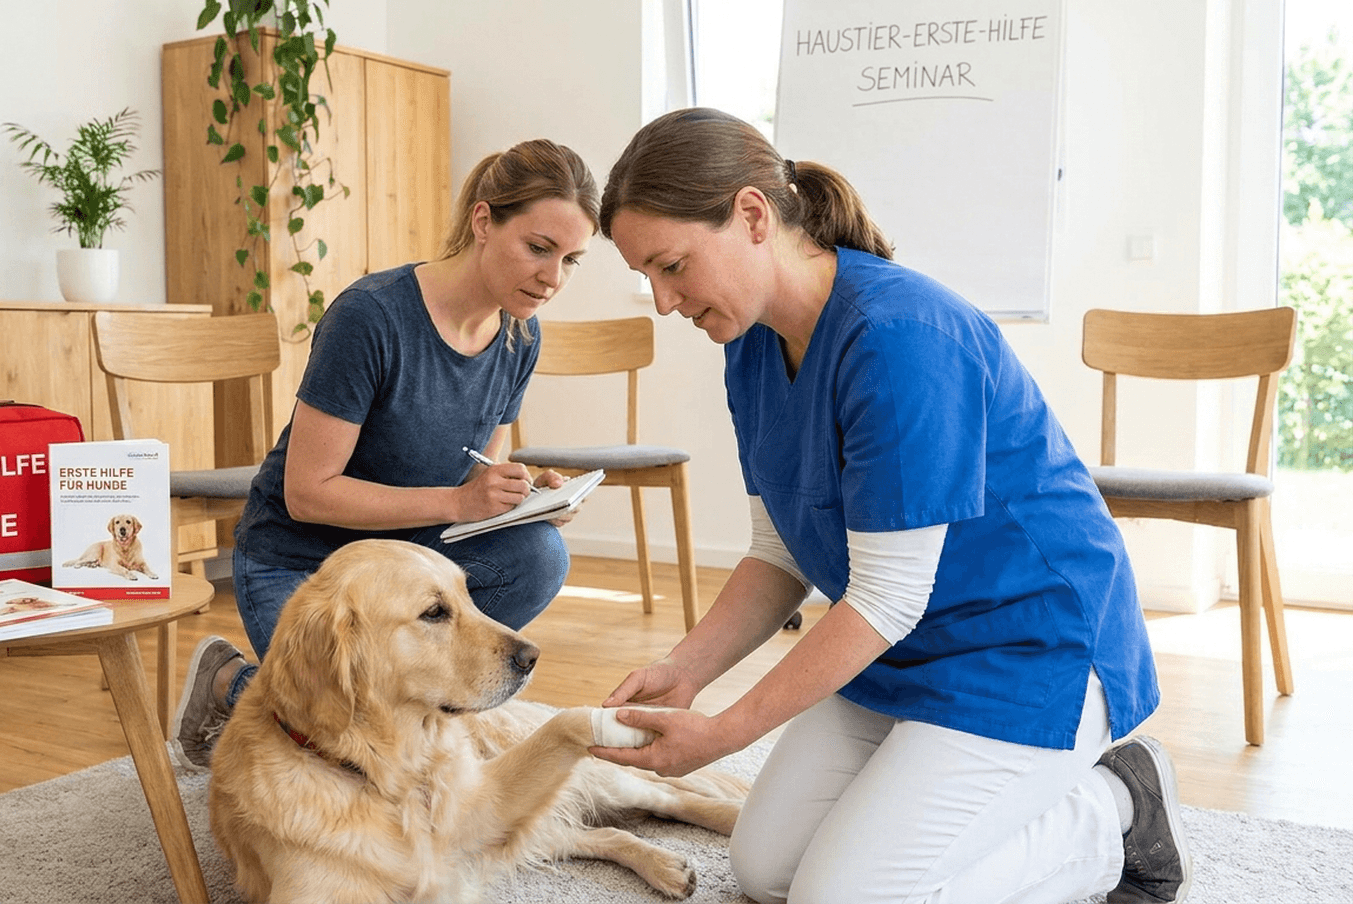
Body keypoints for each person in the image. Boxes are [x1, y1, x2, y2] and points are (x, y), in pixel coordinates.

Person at [587, 107, 1189, 904]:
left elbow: (885, 594)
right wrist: (682, 672)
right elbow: (779, 553)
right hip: (902, 650)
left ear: (753, 216)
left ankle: (1117, 807)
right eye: (649, 279)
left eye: (672, 267)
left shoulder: (902, 338)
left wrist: (727, 733)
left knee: (843, 898)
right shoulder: (749, 346)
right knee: (767, 872)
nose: (664, 302)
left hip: (1030, 650)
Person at [172, 139, 600, 770]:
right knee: (341, 737)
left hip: (409, 562)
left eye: (571, 260)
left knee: (537, 556)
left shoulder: (519, 332)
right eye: (539, 248)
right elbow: (307, 492)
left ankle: (422, 690)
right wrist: (459, 499)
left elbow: (478, 467)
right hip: (305, 563)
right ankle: (229, 683)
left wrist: (520, 499)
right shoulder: (371, 317)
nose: (553, 278)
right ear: (484, 222)